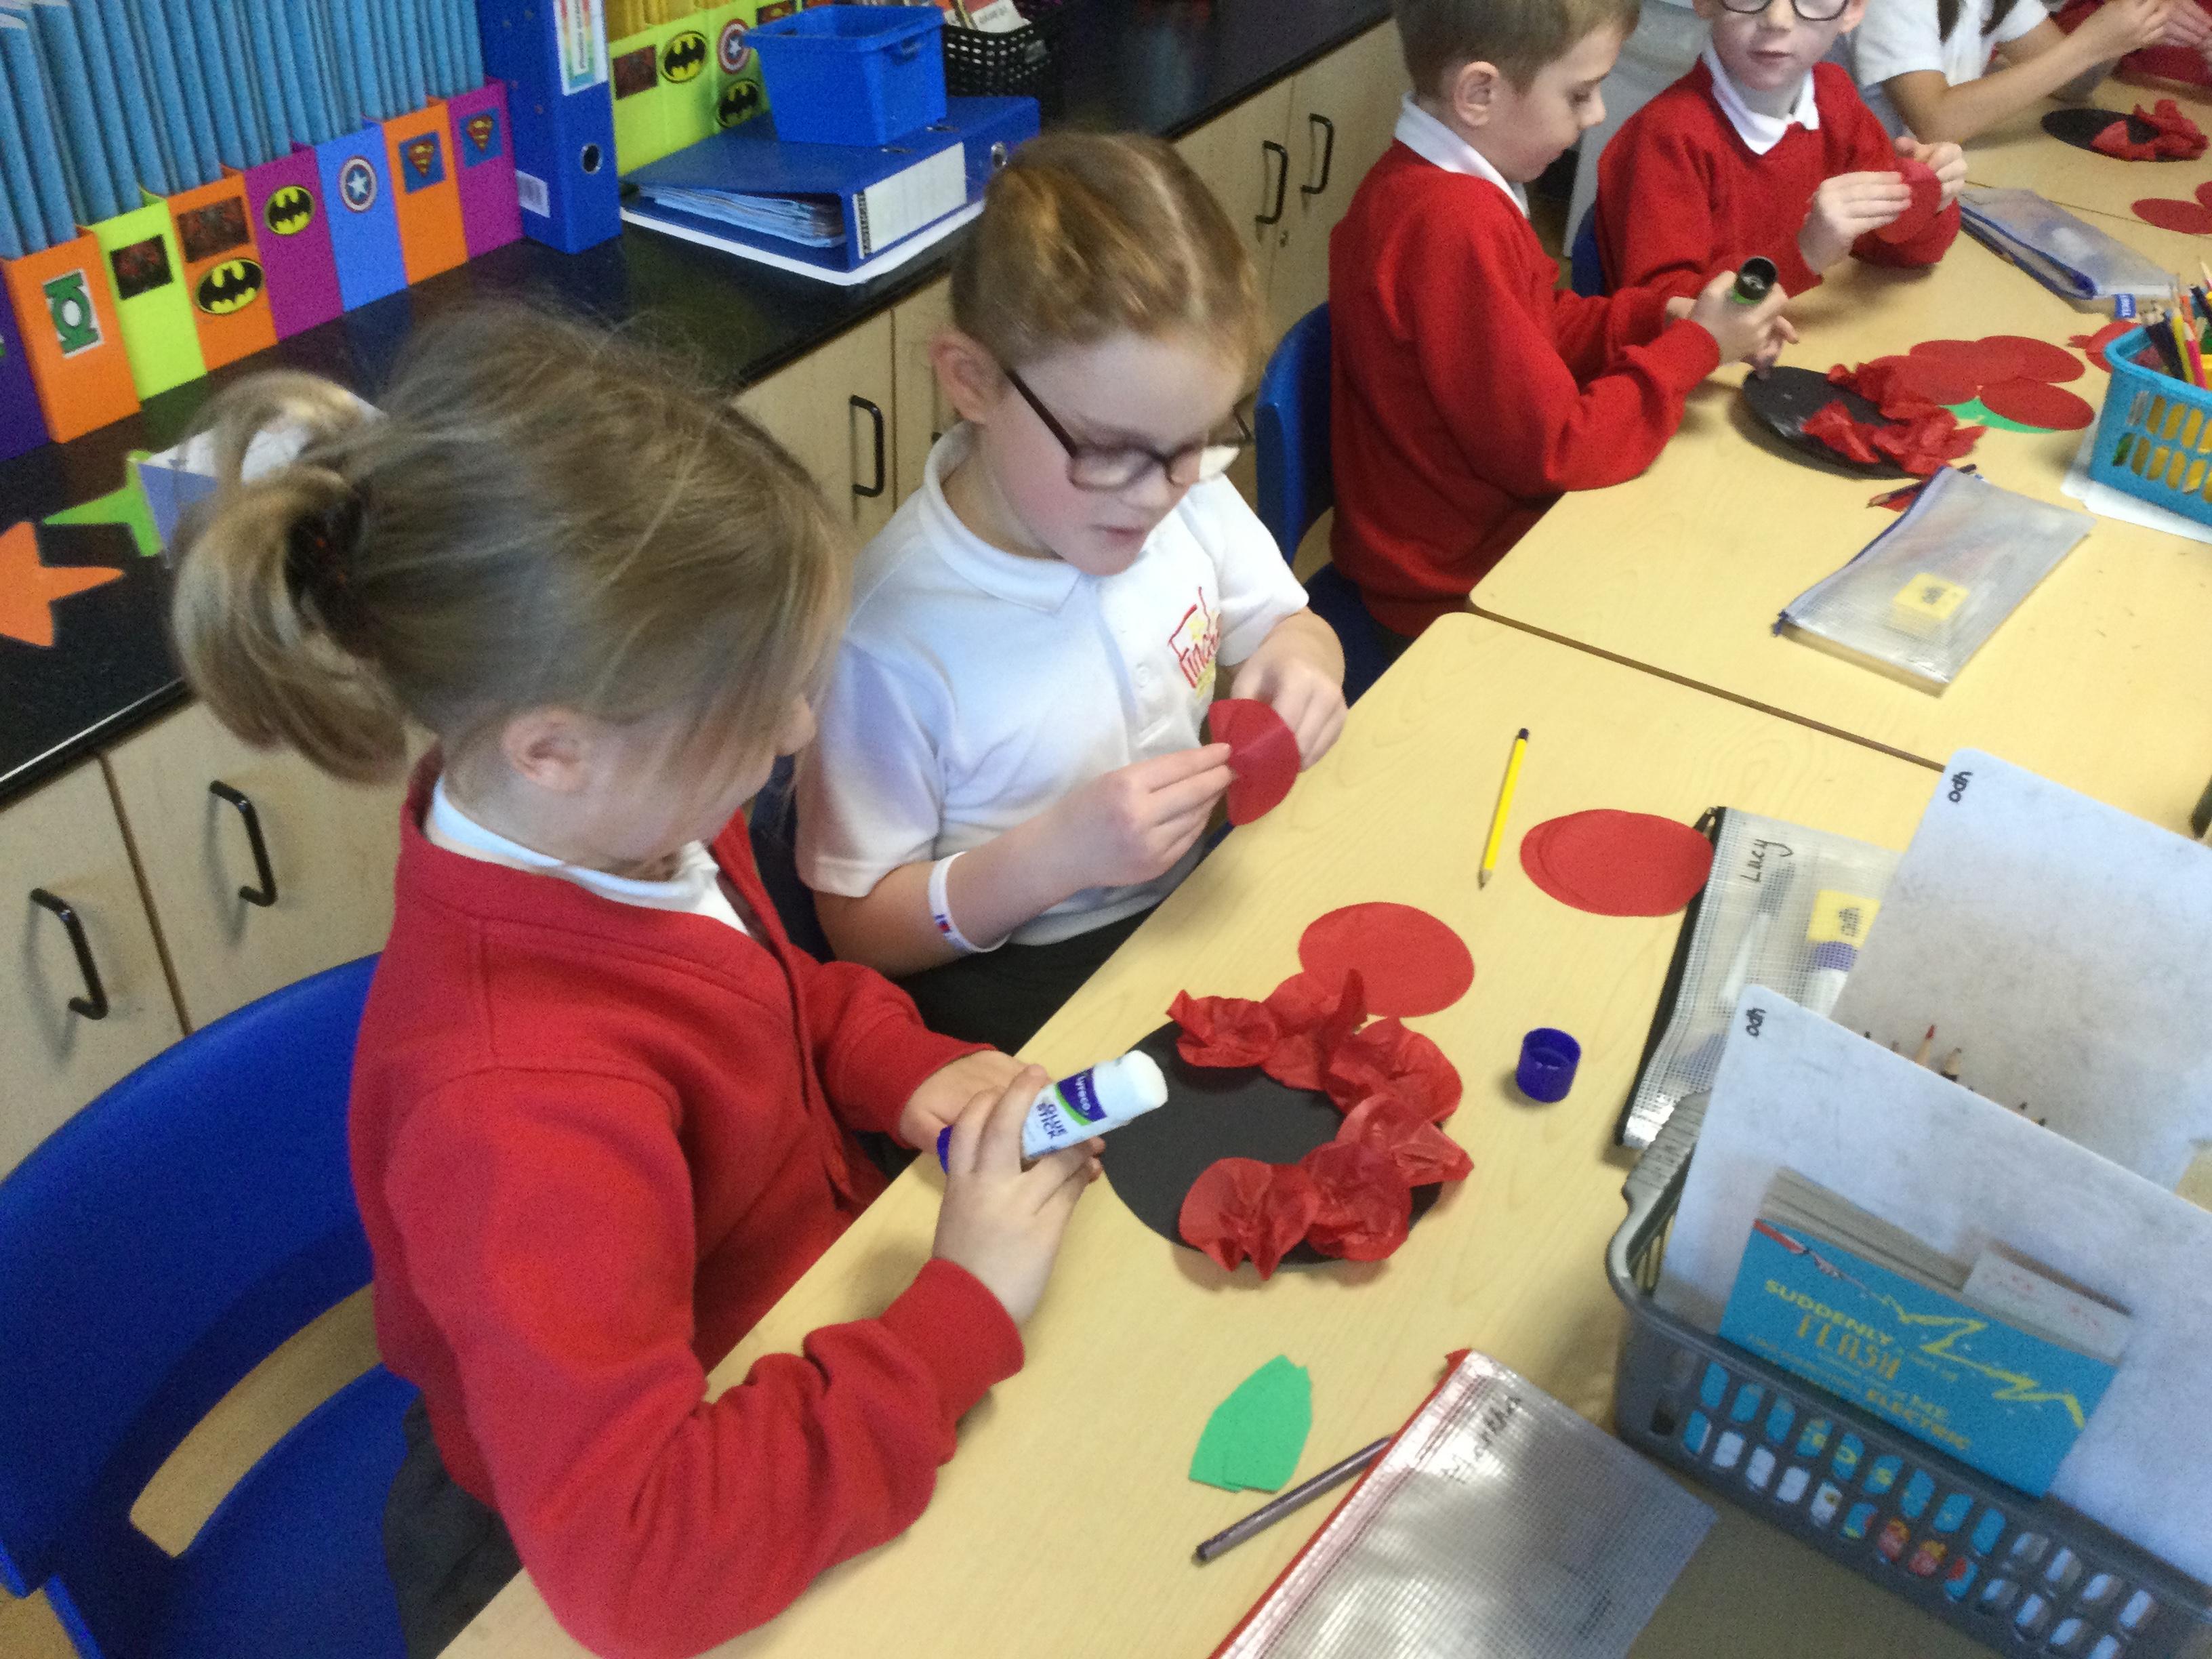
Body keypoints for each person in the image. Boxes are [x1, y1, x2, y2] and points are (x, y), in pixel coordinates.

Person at [168, 303, 1099, 1659]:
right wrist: (958, 1310)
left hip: (780, 1350)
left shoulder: (635, 820)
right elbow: (641, 1567)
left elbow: (764, 992)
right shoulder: (516, 1114)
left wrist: (897, 1066)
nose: (798, 729)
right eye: (763, 705)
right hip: (598, 1542)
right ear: (554, 746)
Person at [796, 133, 1347, 1056]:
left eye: (1194, 443)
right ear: (972, 381)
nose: (1161, 492)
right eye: (1112, 451)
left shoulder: (1179, 491)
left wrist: (1304, 670)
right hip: (1020, 976)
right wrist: (1051, 860)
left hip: (1191, 904)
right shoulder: (887, 639)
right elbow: (860, 927)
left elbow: (1289, 624)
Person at [1328, 0, 1797, 643]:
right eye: (1580, 94)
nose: (1597, 113)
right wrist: (1697, 349)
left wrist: (1660, 318)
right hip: (1454, 593)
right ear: (1480, 94)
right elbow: (1558, 453)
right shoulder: (1454, 225)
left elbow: (1536, 322)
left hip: (1479, 551)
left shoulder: (1446, 185)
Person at [1597, 0, 1967, 301]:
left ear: (1852, 9)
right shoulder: (1666, 138)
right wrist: (1805, 254)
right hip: (1713, 365)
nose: (1777, 19)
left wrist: (1926, 201)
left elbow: (1895, 248)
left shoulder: (1835, 98)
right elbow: (1663, 313)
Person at [1849, 0, 2186, 141]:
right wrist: (2089, 45)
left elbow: (2072, 84)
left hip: (1933, 178)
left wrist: (2129, 27)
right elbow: (1935, 123)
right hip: (1861, 184)